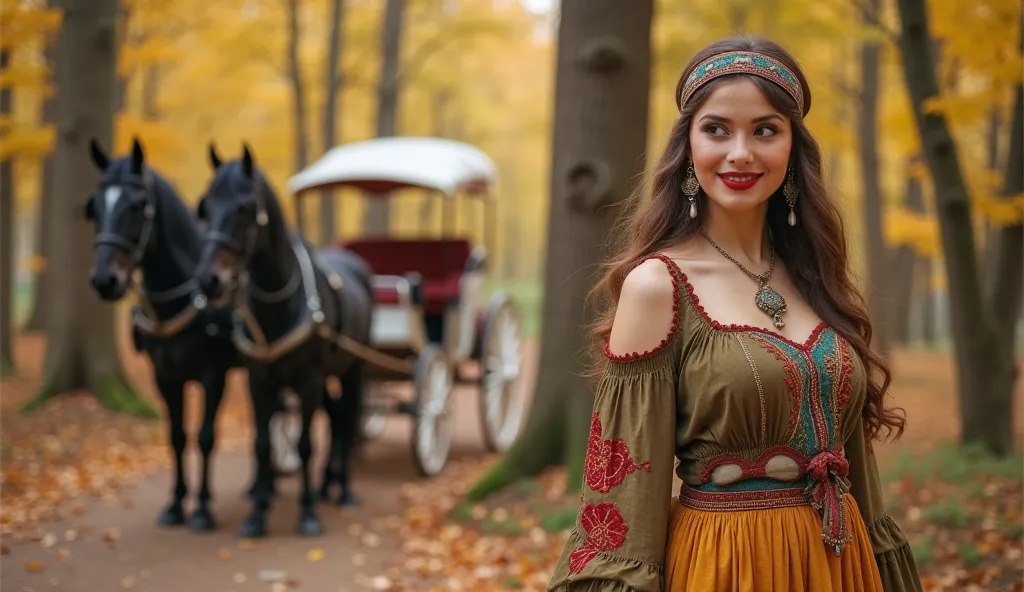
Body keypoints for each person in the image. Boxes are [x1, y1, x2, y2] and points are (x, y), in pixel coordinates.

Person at [546, 36, 923, 592]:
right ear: (689, 147)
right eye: (717, 128)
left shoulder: (817, 279)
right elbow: (621, 497)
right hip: (728, 567)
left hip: (842, 566)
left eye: (765, 130)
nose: (740, 152)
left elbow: (857, 473)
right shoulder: (658, 286)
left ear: (793, 149)